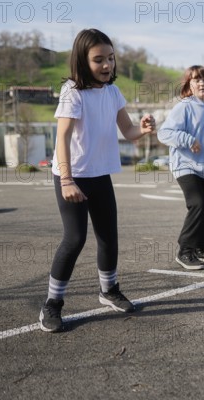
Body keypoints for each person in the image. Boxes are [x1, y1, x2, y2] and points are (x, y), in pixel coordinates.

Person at [39, 28, 156, 333]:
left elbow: (127, 131)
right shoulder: (73, 92)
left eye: (111, 59)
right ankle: (52, 303)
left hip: (99, 174)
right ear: (82, 61)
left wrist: (143, 130)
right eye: (99, 60)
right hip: (72, 175)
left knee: (108, 235)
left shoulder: (114, 93)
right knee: (75, 238)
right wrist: (66, 180)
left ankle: (109, 290)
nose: (107, 65)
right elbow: (61, 139)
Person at [158, 65, 204, 270]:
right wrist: (188, 139)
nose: (202, 82)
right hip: (184, 165)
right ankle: (185, 251)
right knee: (198, 204)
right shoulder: (184, 107)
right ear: (189, 85)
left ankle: (201, 248)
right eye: (197, 80)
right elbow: (164, 133)